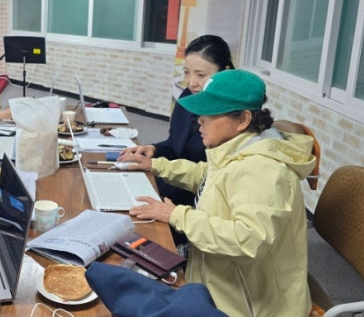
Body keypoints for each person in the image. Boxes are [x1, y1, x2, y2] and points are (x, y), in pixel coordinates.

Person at [119, 69, 316, 316]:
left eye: (210, 114)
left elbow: (248, 239)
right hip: (216, 279)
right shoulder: (239, 147)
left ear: (243, 119)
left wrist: (177, 215)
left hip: (249, 306)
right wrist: (156, 165)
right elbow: (208, 177)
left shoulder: (261, 170)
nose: (199, 120)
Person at [121, 35, 234, 211]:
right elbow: (175, 145)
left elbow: (211, 180)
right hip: (173, 179)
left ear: (224, 73)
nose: (191, 82)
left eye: (201, 75)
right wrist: (154, 149)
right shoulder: (188, 96)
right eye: (186, 72)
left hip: (198, 200)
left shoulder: (230, 116)